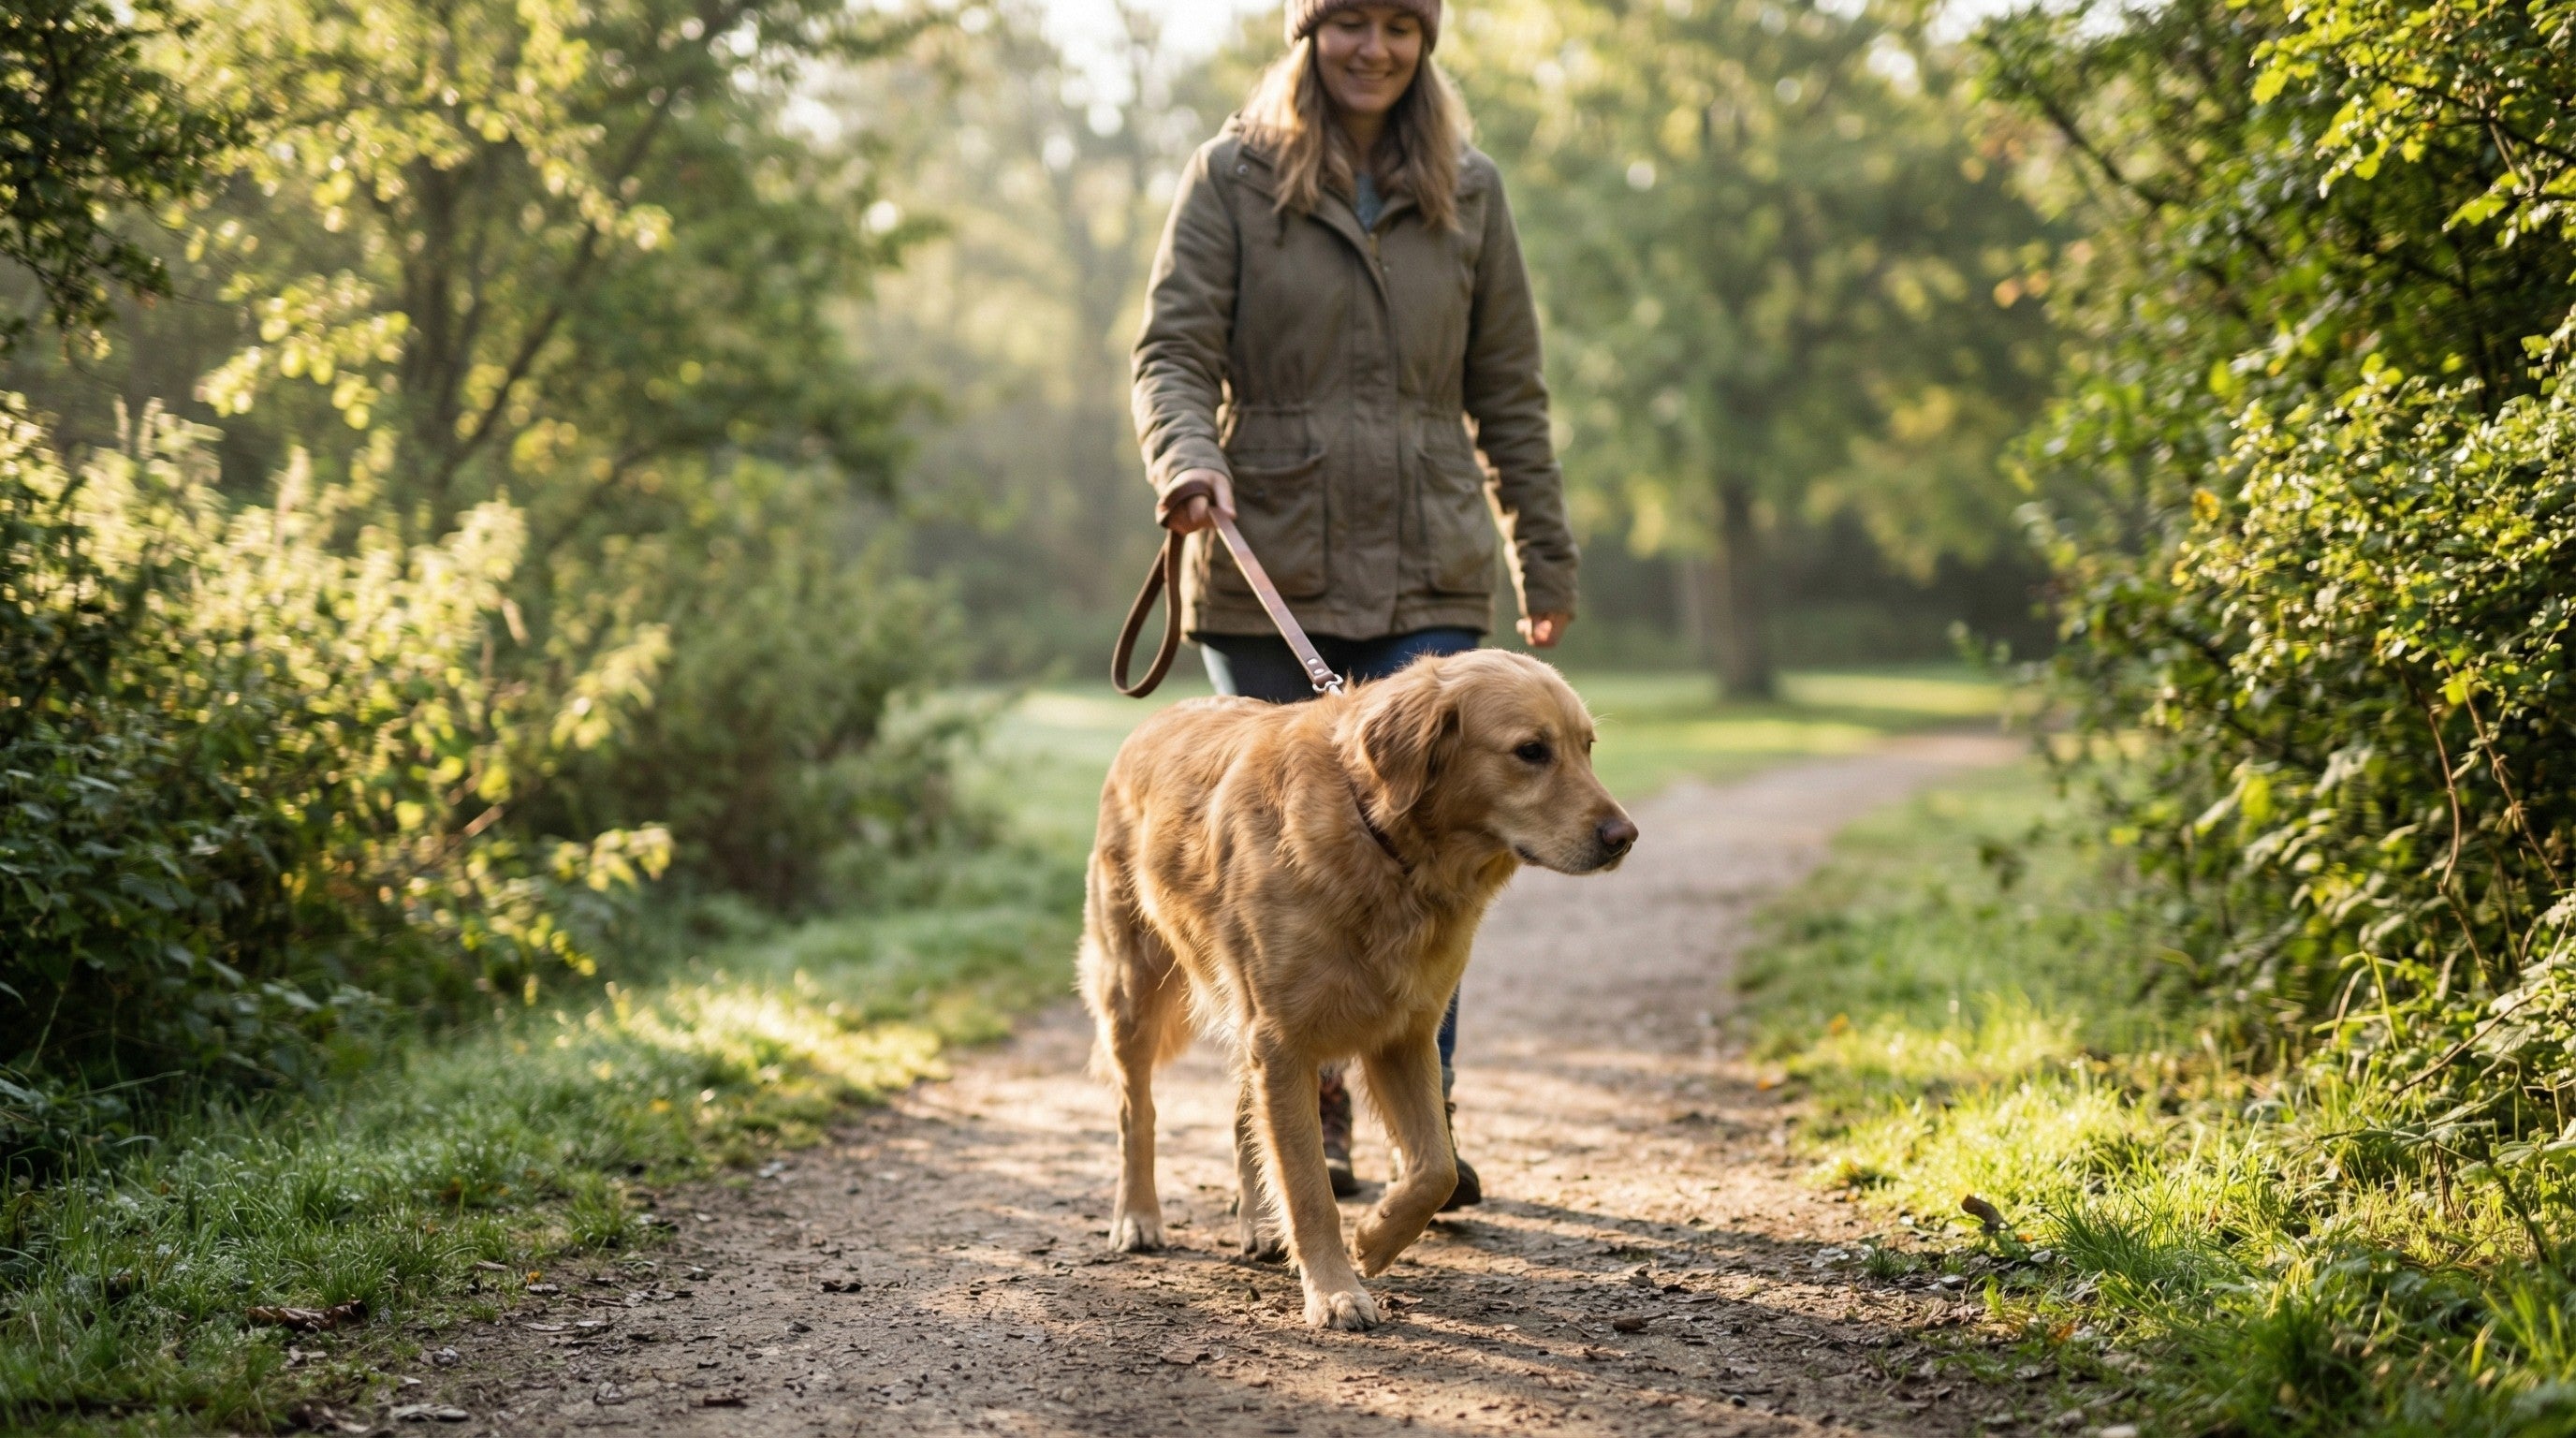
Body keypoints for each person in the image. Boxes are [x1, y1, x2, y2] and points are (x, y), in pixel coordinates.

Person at [1130, 0, 1577, 1211]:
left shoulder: (1470, 191)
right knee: (1286, 877)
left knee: (1442, 846)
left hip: (1432, 564)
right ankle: (1299, 1133)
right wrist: (1185, 458)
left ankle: (1419, 1142)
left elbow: (1512, 393)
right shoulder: (1231, 177)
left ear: (1425, 41)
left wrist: (1544, 558)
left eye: (1399, 24)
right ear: (1306, 33)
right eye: (1348, 23)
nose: (1374, 48)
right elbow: (1170, 351)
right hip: (1266, 559)